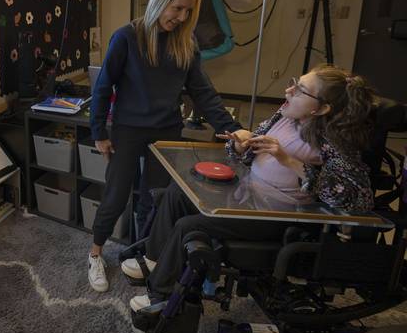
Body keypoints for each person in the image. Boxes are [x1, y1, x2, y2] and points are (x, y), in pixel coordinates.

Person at [127, 65, 375, 310]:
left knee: (189, 226)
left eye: (299, 90)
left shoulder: (334, 140)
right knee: (176, 193)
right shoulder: (284, 116)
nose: (288, 90)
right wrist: (240, 146)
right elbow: (246, 154)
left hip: (278, 217)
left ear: (322, 108)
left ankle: (160, 296)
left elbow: (357, 200)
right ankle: (153, 259)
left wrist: (289, 161)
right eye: (293, 83)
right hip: (249, 197)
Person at [87, 0, 241, 292]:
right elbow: (103, 88)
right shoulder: (127, 37)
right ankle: (95, 254)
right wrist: (99, 131)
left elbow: (203, 93)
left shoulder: (187, 42)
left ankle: (144, 254)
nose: (182, 17)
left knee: (153, 201)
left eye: (188, 12)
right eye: (178, 9)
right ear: (162, 0)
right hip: (128, 129)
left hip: (167, 130)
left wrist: (234, 130)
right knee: (115, 198)